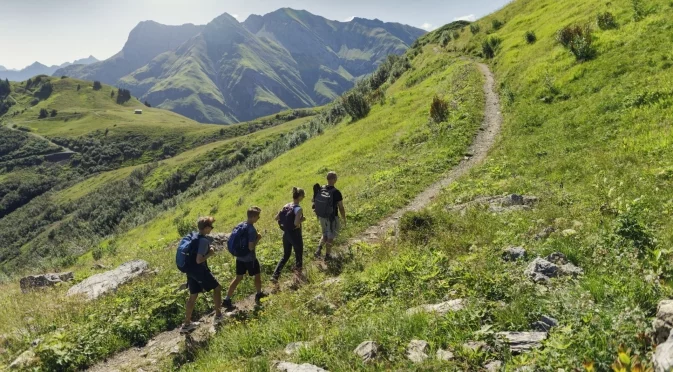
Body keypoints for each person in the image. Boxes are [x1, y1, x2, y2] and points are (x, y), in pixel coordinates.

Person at [181, 216, 222, 334]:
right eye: (211, 227)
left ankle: (186, 324)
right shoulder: (203, 241)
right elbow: (199, 260)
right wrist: (210, 253)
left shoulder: (195, 236)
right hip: (199, 270)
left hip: (190, 270)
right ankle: (219, 315)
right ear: (206, 228)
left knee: (193, 295)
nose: (212, 229)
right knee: (217, 288)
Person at [224, 207, 266, 309]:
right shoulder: (251, 229)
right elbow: (251, 247)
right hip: (250, 258)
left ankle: (227, 299)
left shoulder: (240, 225)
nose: (258, 218)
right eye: (257, 216)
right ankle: (259, 294)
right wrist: (258, 238)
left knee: (238, 278)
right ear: (253, 217)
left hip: (239, 258)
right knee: (257, 275)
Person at [271, 187, 306, 282]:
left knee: (286, 255)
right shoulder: (298, 209)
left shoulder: (286, 205)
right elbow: (296, 224)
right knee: (298, 255)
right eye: (303, 196)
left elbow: (276, 218)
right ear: (299, 197)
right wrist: (302, 219)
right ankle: (298, 276)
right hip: (295, 235)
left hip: (286, 234)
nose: (304, 197)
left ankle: (275, 275)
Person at [314, 171, 346, 260]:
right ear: (334, 180)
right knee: (330, 236)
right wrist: (344, 218)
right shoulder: (336, 192)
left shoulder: (321, 188)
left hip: (321, 216)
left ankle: (318, 249)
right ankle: (327, 256)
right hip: (332, 217)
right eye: (336, 178)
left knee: (325, 233)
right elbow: (341, 207)